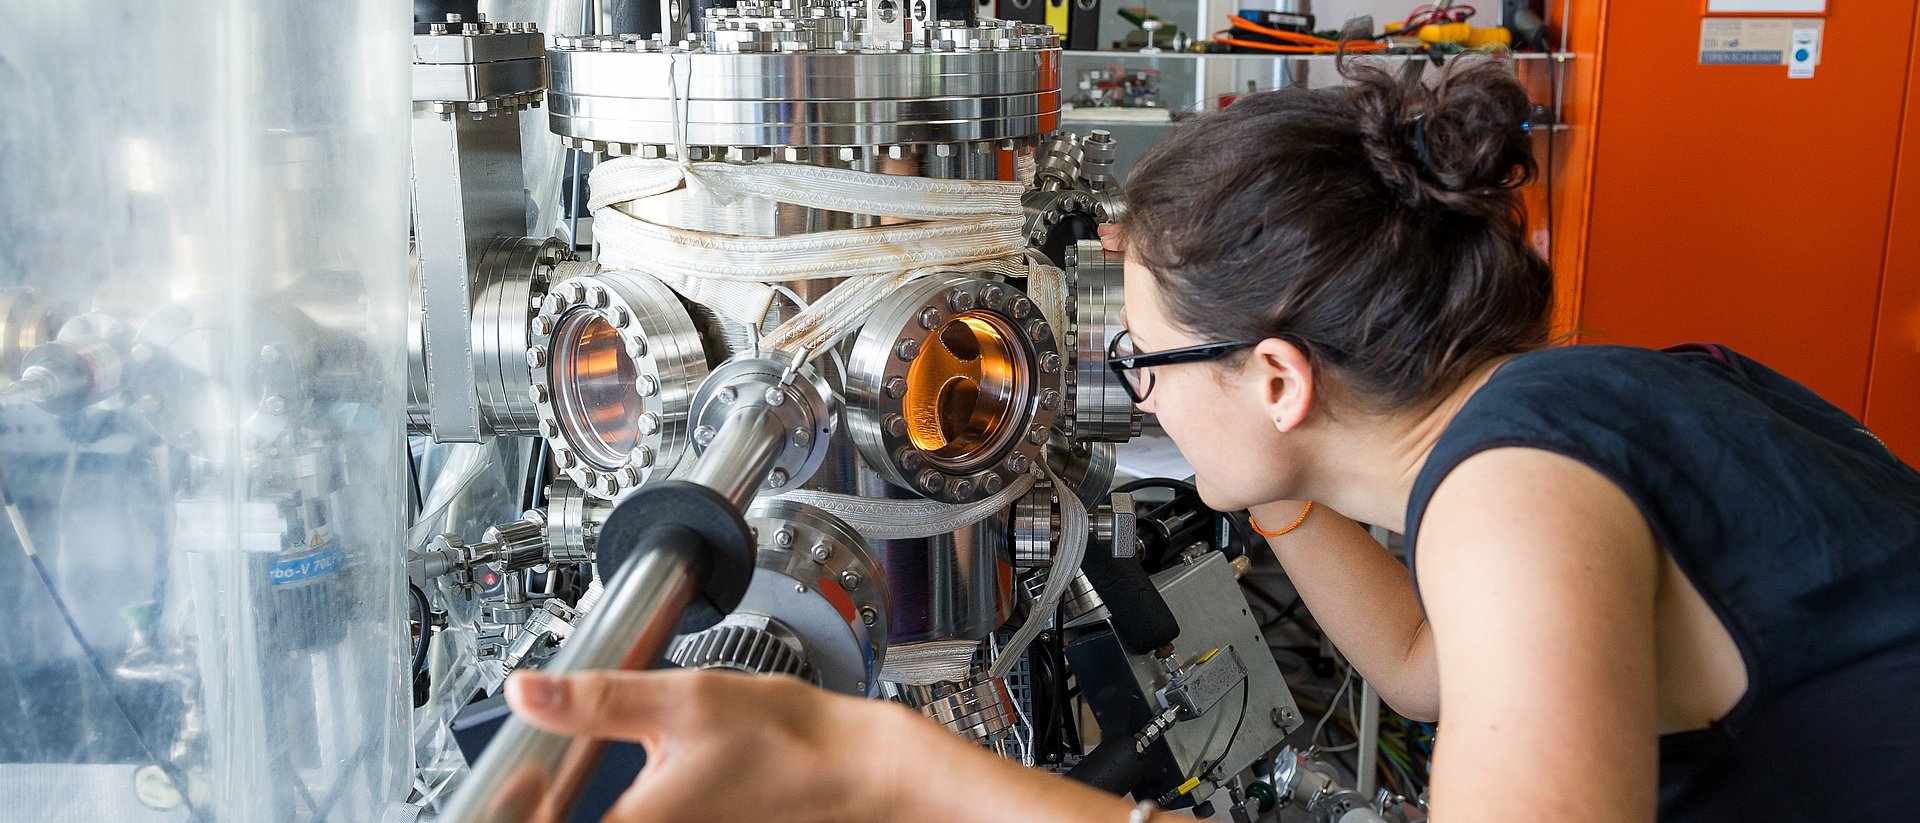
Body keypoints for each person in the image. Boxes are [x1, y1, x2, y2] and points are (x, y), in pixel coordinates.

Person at [501, 56, 1920, 821]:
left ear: (1284, 379)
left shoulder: (1516, 497)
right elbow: (1430, 676)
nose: (1140, 393)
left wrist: (908, 776)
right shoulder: (1563, 419)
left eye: (1149, 362)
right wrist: (1278, 499)